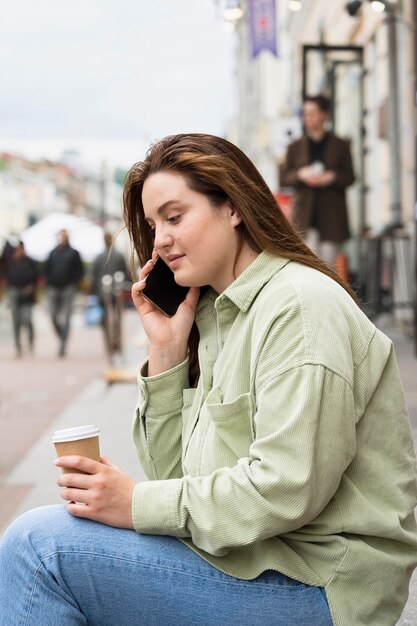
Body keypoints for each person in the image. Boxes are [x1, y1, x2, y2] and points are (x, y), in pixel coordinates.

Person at [0, 134, 416, 626]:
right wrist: (167, 352)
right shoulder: (217, 318)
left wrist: (134, 504)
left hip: (322, 584)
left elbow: (287, 487)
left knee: (40, 550)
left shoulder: (299, 306)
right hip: (252, 561)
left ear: (233, 207)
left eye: (175, 217)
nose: (159, 241)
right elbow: (174, 480)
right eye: (154, 225)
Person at [280, 95, 355, 267]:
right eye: (305, 114)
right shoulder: (295, 146)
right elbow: (284, 177)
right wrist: (300, 174)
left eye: (312, 113)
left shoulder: (340, 145)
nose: (307, 118)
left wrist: (332, 177)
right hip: (304, 216)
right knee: (308, 266)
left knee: (329, 266)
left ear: (324, 115)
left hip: (331, 218)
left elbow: (350, 177)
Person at [88, 231, 130, 360]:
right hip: (115, 292)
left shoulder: (99, 257)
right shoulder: (118, 255)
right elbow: (126, 272)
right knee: (117, 319)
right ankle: (116, 343)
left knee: (106, 321)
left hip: (103, 293)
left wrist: (94, 292)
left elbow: (93, 278)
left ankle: (110, 345)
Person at [44, 228, 84, 357]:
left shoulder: (74, 253)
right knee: (53, 315)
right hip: (53, 287)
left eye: (65, 236)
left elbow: (80, 270)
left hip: (68, 288)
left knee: (66, 317)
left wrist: (74, 283)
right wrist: (48, 282)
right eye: (62, 236)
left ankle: (63, 345)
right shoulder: (52, 253)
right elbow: (46, 269)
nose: (63, 238)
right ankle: (61, 335)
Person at [5, 240, 38, 357]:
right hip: (14, 294)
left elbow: (36, 278)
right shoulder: (10, 262)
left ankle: (30, 339)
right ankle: (18, 345)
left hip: (27, 295)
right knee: (16, 322)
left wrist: (32, 290)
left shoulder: (30, 262)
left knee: (27, 319)